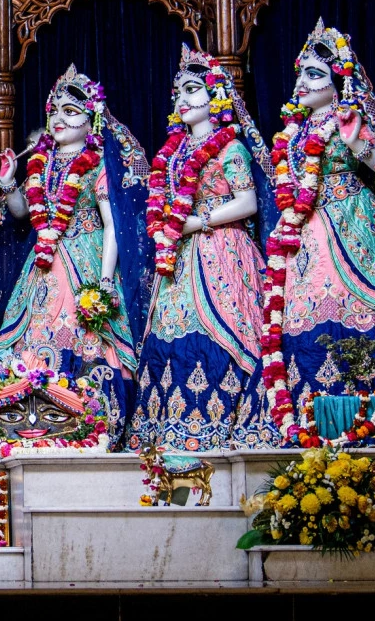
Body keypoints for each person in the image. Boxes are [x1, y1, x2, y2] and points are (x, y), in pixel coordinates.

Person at [232, 22, 375, 448]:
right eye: (301, 73)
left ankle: (367, 417)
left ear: (338, 83)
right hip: (301, 236)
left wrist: (363, 148)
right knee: (291, 320)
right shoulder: (291, 132)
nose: (302, 82)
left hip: (348, 225)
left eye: (315, 74)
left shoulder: (347, 118)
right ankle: (298, 418)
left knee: (358, 313)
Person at [0, 66, 149, 441]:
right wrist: (8, 181)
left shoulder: (96, 164)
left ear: (92, 118)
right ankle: (33, 421)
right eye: (55, 111)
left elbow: (112, 224)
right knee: (27, 340)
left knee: (87, 338)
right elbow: (22, 214)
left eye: (71, 111)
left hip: (86, 256)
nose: (59, 119)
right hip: (43, 262)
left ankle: (87, 423)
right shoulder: (41, 165)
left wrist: (106, 280)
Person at [127, 46, 272, 452]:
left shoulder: (231, 147)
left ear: (217, 97)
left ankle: (223, 425)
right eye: (179, 92)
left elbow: (248, 204)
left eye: (193, 89)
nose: (182, 99)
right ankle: (171, 430)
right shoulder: (172, 154)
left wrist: (199, 222)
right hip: (179, 256)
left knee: (224, 332)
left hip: (222, 249)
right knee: (168, 338)